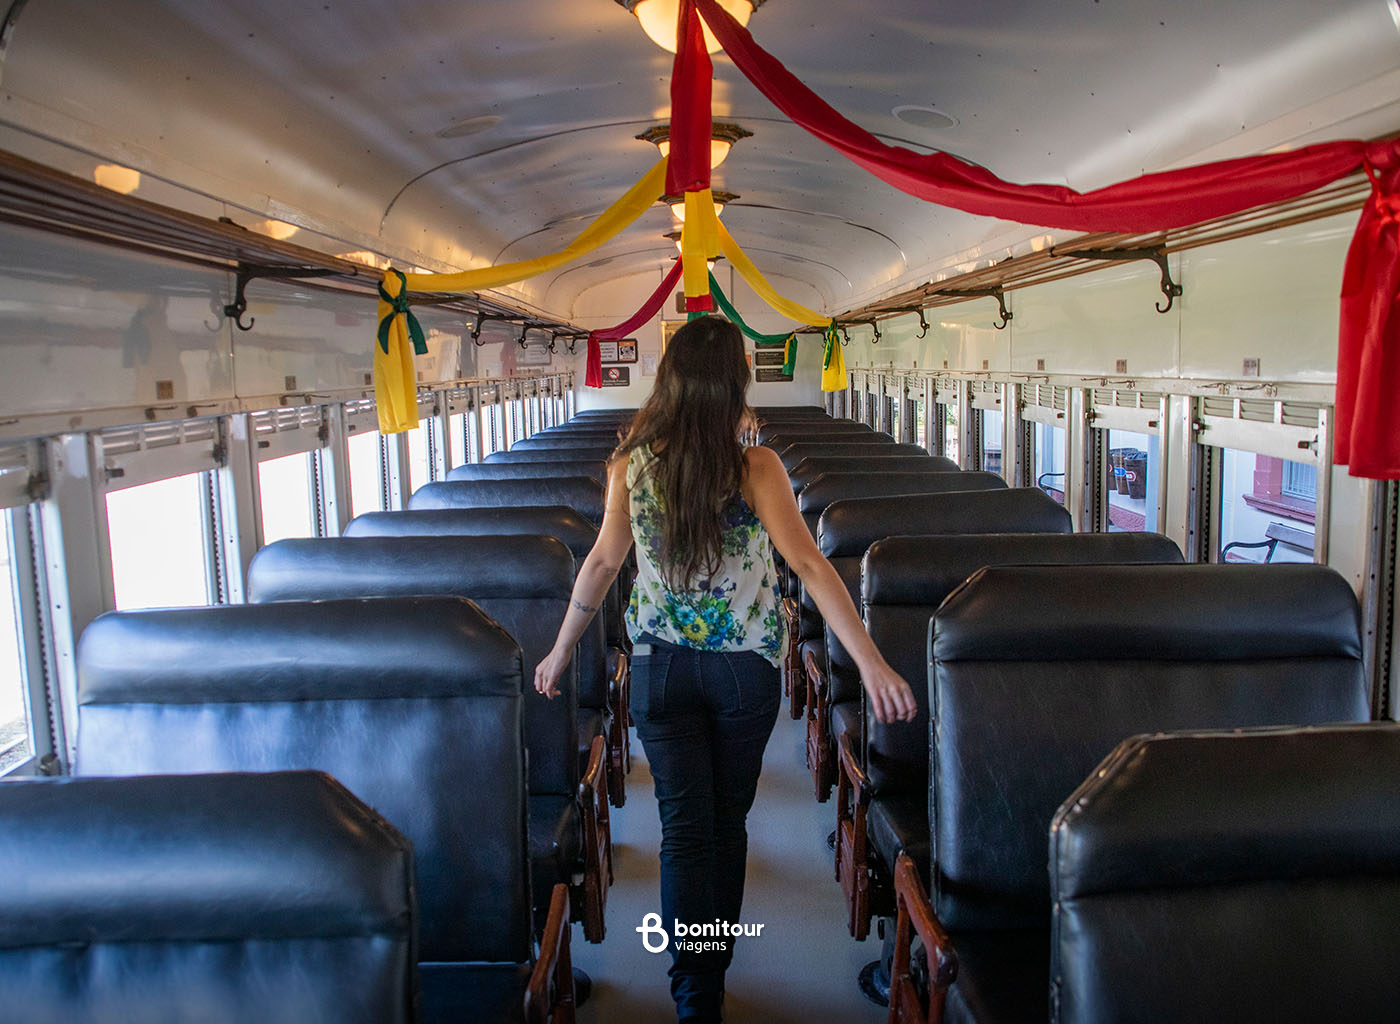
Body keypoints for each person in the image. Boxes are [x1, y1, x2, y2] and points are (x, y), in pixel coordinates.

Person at [534, 316, 916, 1023]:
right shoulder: (756, 468)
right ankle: (714, 961)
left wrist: (561, 649)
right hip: (744, 670)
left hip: (659, 672)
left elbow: (602, 565)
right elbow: (808, 564)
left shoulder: (631, 467)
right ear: (730, 385)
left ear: (669, 382)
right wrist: (872, 662)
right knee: (726, 827)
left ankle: (695, 996)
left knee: (682, 833)